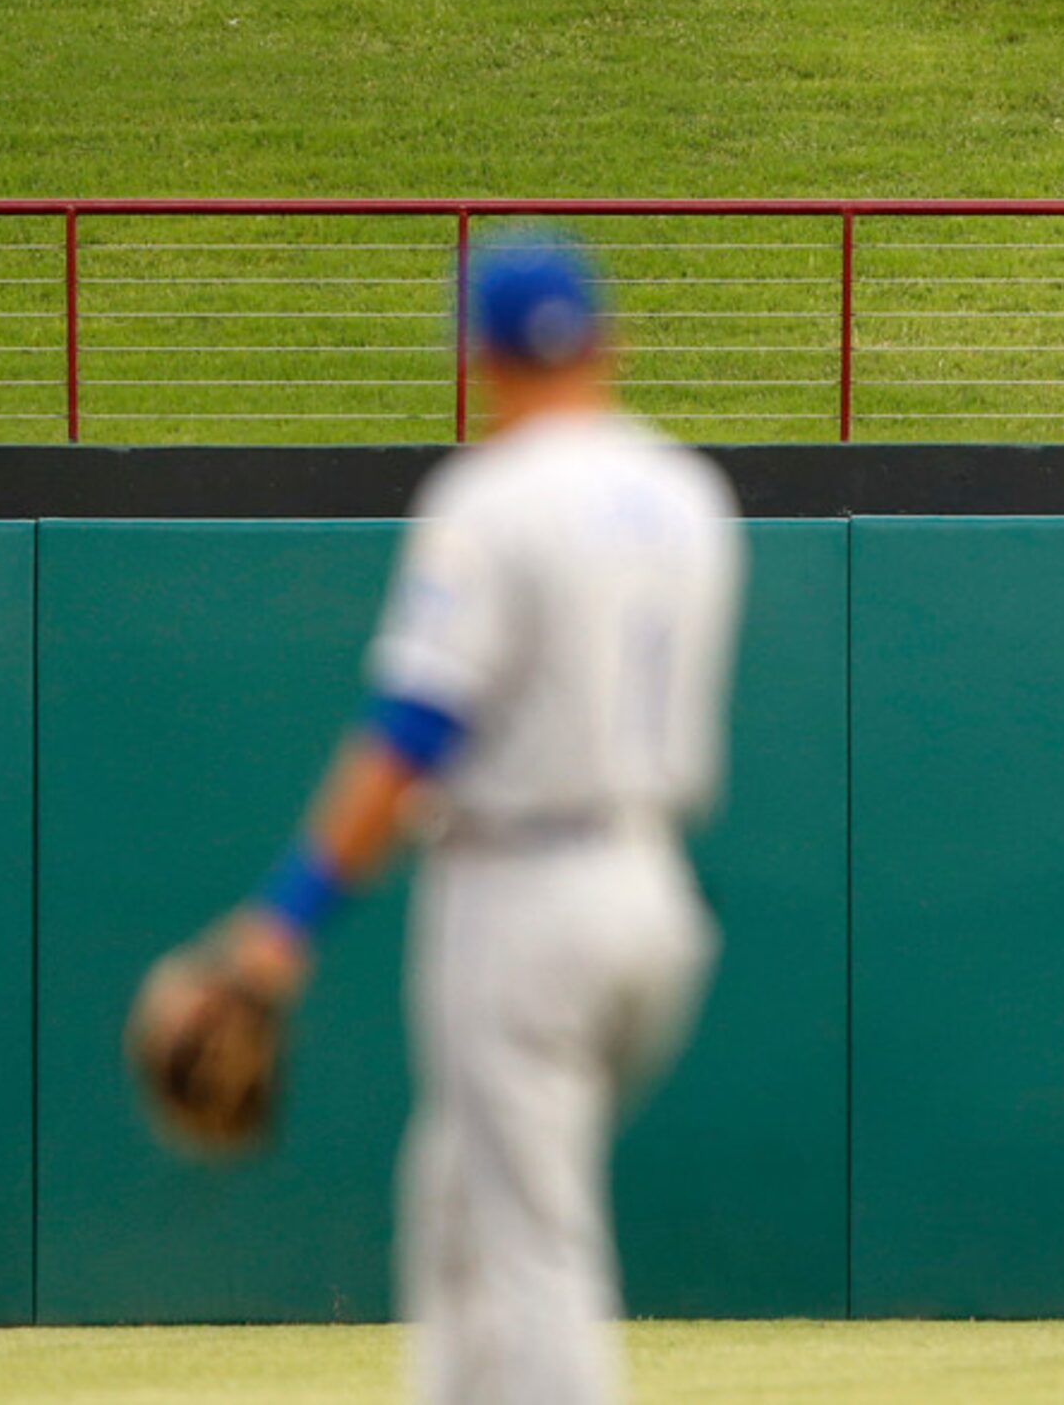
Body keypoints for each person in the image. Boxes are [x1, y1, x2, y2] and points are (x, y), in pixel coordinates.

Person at [141, 238, 746, 1405]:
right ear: (606, 341)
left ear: (479, 357)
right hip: (651, 894)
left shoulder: (494, 496)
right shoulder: (687, 494)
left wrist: (285, 923)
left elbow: (414, 729)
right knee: (457, 1212)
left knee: (527, 1244)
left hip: (527, 898)